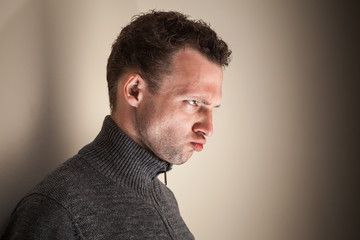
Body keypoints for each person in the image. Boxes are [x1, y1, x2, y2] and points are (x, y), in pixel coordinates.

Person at [2, 10, 231, 239]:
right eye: (193, 102)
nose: (208, 128)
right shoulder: (57, 211)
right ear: (135, 91)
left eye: (212, 108)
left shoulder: (164, 197)